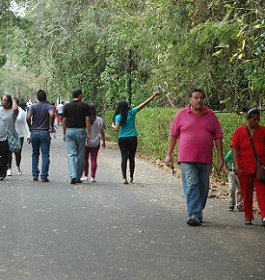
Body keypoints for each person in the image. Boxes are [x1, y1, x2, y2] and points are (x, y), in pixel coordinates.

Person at [165, 88, 223, 226]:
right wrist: (169, 155)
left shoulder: (211, 115)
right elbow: (173, 135)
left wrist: (220, 156)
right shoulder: (181, 115)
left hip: (205, 158)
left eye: (201, 98)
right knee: (192, 183)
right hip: (186, 158)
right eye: (196, 98)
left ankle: (196, 207)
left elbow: (218, 137)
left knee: (203, 186)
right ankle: (195, 214)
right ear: (190, 100)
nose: (199, 100)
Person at [112, 91, 162, 184]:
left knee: (124, 157)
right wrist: (154, 95)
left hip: (122, 138)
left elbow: (116, 129)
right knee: (131, 157)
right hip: (132, 137)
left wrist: (112, 125)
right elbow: (144, 104)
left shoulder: (118, 117)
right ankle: (131, 177)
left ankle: (124, 178)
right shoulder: (132, 112)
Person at [230, 108, 265, 226]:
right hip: (245, 166)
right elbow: (234, 148)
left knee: (262, 191)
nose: (256, 122)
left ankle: (264, 215)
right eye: (254, 119)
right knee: (246, 192)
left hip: (260, 167)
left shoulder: (263, 131)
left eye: (258, 119)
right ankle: (248, 215)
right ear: (248, 119)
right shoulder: (239, 132)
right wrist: (235, 164)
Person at [62, 89, 91, 185]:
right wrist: (89, 133)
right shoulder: (85, 106)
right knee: (80, 155)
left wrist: (64, 133)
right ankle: (78, 177)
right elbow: (87, 120)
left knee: (71, 154)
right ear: (80, 95)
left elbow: (64, 121)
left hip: (70, 131)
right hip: (81, 131)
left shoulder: (67, 106)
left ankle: (73, 175)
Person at [0, 95, 19, 180]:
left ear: (9, 103)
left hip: (7, 138)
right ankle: (5, 166)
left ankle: (1, 173)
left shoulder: (13, 112)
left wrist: (13, 98)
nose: (2, 102)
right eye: (1, 100)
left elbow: (16, 109)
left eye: (4, 100)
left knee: (4, 155)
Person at [27, 90, 55, 182]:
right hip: (44, 131)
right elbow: (52, 114)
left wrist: (30, 126)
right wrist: (51, 124)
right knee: (45, 154)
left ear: (37, 97)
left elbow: (28, 117)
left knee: (35, 153)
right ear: (46, 97)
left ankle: (35, 174)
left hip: (34, 132)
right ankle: (44, 176)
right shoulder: (49, 106)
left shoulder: (33, 106)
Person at [82, 104, 106, 182]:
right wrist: (103, 142)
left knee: (85, 159)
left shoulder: (84, 119)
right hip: (96, 142)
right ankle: (93, 177)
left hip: (85, 141)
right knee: (93, 159)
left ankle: (85, 175)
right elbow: (102, 132)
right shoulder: (99, 120)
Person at [8, 98, 30, 176]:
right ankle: (9, 169)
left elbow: (25, 124)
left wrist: (28, 134)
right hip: (9, 135)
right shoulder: (7, 111)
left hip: (19, 135)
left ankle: (18, 166)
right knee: (8, 152)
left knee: (18, 153)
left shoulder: (22, 112)